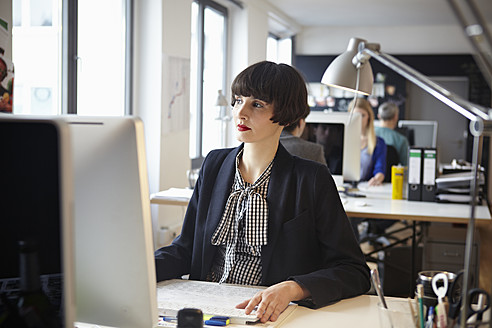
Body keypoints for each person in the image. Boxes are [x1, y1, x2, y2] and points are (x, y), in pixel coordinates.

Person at [154, 61, 370, 323]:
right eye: (238, 100)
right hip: (207, 309)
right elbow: (185, 249)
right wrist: (140, 268)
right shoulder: (214, 165)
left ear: (287, 115)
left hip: (268, 317)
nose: (240, 113)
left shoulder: (311, 179)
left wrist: (294, 287)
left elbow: (354, 271)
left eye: (257, 104)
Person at [349, 97, 386, 186]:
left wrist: (378, 178)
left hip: (365, 187)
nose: (359, 119)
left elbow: (380, 168)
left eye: (362, 115)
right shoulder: (342, 140)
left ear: (369, 117)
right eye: (355, 115)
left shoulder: (378, 142)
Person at [375, 102, 409, 166]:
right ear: (396, 117)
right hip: (393, 175)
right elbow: (406, 166)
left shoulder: (368, 134)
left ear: (379, 116)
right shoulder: (401, 140)